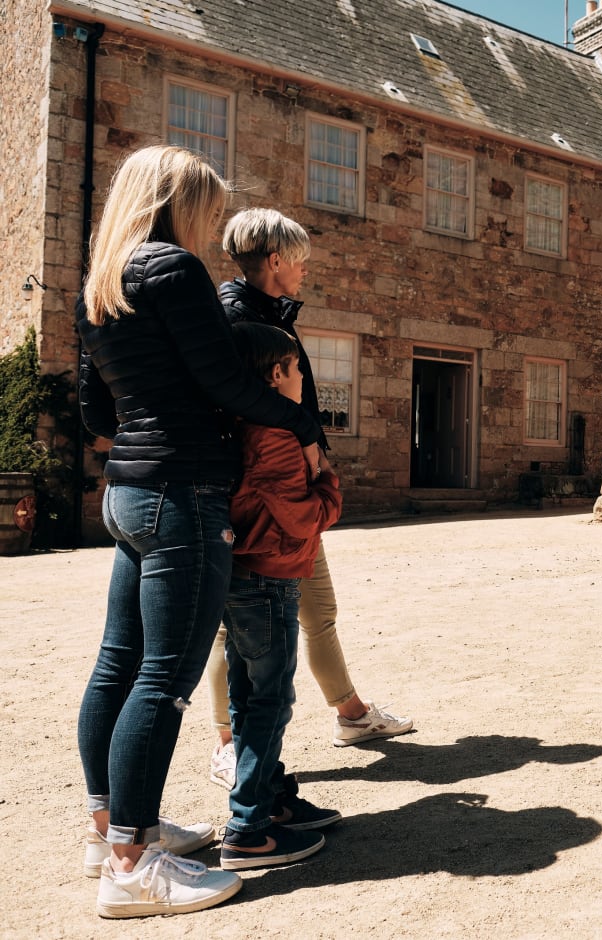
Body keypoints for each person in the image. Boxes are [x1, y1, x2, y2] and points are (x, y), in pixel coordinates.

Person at [76, 146, 325, 918]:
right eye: (208, 209)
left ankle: (110, 829)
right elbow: (224, 378)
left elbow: (95, 412)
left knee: (118, 665)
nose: (211, 225)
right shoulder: (173, 269)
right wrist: (301, 425)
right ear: (177, 201)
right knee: (163, 681)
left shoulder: (104, 281)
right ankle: (132, 866)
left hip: (129, 493)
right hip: (182, 492)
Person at [205, 207, 412, 791]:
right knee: (233, 628)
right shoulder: (234, 321)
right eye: (299, 261)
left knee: (318, 609)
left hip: (293, 481)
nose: (304, 272)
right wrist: (305, 452)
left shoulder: (271, 315)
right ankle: (228, 744)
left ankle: (350, 713)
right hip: (259, 494)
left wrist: (312, 454)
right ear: (274, 260)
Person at [219, 322, 343, 869]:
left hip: (243, 575)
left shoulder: (241, 425)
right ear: (275, 375)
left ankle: (268, 801)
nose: (301, 379)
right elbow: (303, 516)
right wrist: (327, 481)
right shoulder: (274, 437)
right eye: (296, 369)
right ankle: (249, 826)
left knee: (249, 696)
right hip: (269, 578)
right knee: (271, 700)